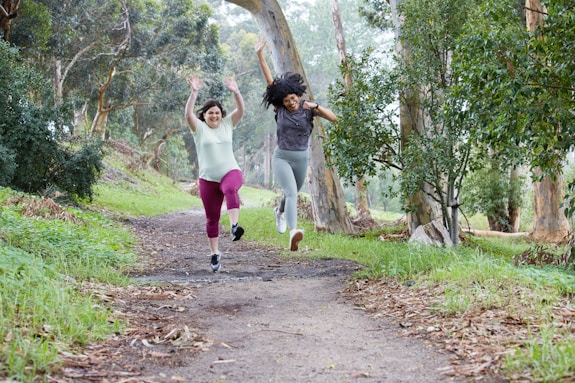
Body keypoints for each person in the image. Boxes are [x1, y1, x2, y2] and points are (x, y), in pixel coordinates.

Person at [255, 37, 338, 251]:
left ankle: (279, 212)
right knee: (292, 193)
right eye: (286, 101)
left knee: (290, 193)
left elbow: (334, 118)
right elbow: (270, 82)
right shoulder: (279, 110)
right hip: (282, 156)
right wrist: (260, 55)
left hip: (301, 158)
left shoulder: (308, 108)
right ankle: (294, 232)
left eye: (293, 99)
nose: (290, 103)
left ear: (297, 96)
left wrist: (316, 105)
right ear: (281, 102)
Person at [184, 75, 245, 272]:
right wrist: (194, 93)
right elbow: (188, 115)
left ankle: (235, 226)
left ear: (221, 114)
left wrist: (236, 92)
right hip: (207, 179)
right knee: (212, 218)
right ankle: (214, 254)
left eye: (217, 113)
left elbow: (241, 110)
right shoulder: (199, 129)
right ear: (205, 115)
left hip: (231, 172)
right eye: (211, 113)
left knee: (229, 188)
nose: (215, 116)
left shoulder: (228, 124)